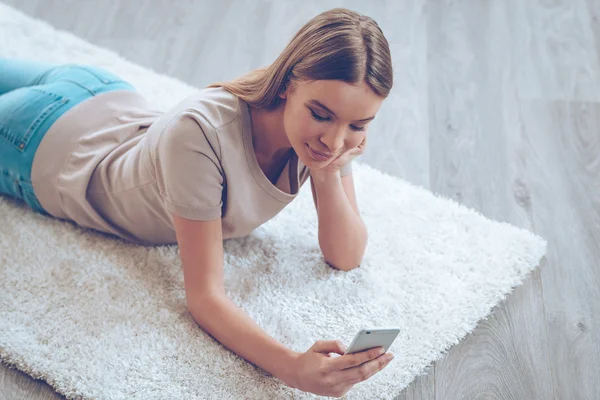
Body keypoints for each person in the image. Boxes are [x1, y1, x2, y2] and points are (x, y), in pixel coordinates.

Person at [0, 7, 394, 397]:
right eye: (322, 115)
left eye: (358, 126)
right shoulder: (199, 135)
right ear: (289, 84)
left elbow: (346, 254)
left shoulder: (324, 140)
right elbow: (205, 297)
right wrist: (292, 367)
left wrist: (326, 174)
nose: (335, 141)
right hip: (38, 142)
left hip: (100, 92)